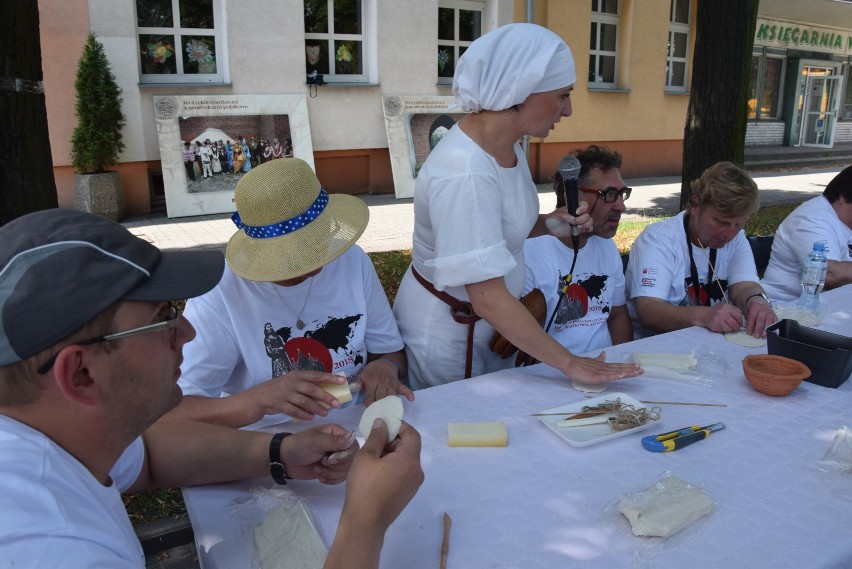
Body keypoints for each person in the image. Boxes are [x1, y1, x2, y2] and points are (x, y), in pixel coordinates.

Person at [0, 208, 424, 569]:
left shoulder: (59, 438)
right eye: (163, 317)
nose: (186, 331)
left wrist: (280, 452)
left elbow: (149, 456)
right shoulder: (54, 549)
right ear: (80, 374)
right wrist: (366, 518)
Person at [392, 23, 642, 390]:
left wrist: (550, 225)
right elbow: (488, 297)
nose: (568, 109)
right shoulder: (464, 173)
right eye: (562, 95)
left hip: (491, 326)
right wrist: (570, 363)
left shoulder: (508, 146)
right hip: (453, 336)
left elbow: (502, 227)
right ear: (522, 92)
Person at [165, 158, 413, 429]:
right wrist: (257, 401)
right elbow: (178, 410)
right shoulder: (221, 292)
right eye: (291, 256)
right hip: (267, 438)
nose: (314, 266)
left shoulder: (351, 259)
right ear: (258, 248)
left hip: (357, 421)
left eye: (318, 243)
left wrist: (386, 367)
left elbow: (390, 352)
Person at [625, 161, 777, 339]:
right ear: (695, 205)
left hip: (708, 342)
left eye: (739, 224)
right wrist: (704, 315)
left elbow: (745, 286)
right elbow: (649, 311)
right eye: (721, 222)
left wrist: (757, 302)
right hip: (659, 347)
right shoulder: (658, 240)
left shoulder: (736, 239)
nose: (729, 233)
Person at [522, 145, 632, 357]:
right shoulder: (529, 251)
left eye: (621, 194)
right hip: (553, 375)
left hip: (605, 371)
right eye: (609, 194)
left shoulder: (606, 245)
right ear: (571, 194)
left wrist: (623, 360)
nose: (621, 207)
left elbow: (617, 314)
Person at [760, 165, 852, 301]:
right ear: (843, 196)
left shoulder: (844, 219)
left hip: (825, 308)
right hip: (784, 307)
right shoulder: (812, 218)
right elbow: (828, 275)